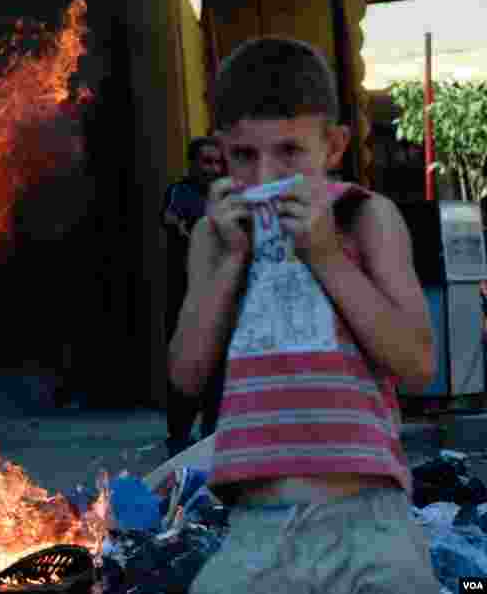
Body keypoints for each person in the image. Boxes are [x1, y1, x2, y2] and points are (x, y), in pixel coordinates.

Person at [169, 37, 440, 593]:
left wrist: (323, 254)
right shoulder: (213, 234)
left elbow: (416, 365)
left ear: (334, 145)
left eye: (289, 152)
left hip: (367, 521)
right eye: (244, 156)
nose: (265, 176)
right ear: (221, 152)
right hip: (255, 529)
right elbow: (185, 374)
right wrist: (230, 261)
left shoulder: (364, 217)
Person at [161, 136, 225, 459]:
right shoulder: (179, 193)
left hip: (223, 297)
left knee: (219, 367)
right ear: (192, 164)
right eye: (206, 162)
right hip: (185, 297)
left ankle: (212, 437)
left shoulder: (229, 196)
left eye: (218, 162)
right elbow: (172, 222)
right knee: (185, 363)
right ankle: (179, 438)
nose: (213, 169)